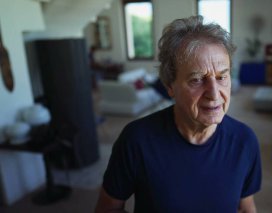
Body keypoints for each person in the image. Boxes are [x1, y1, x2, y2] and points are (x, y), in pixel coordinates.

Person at [95, 15, 262, 213]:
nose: (215, 94)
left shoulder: (245, 141)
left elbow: (247, 208)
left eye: (221, 77)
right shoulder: (136, 140)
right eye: (197, 79)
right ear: (170, 86)